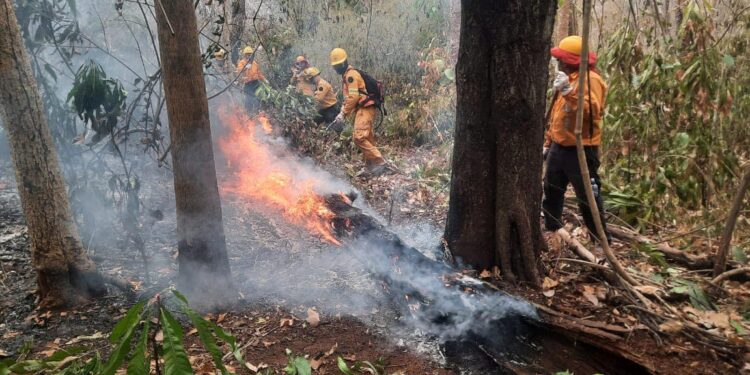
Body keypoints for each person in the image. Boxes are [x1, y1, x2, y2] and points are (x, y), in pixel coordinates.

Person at [542, 35, 612, 243]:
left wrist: (568, 92)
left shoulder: (592, 80)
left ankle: (601, 240)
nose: (559, 63)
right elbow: (557, 114)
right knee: (552, 188)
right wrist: (548, 142)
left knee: (588, 196)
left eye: (563, 59)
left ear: (572, 61)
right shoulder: (567, 78)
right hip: (558, 146)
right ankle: (553, 230)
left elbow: (592, 110)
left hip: (582, 149)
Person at [329, 47, 387, 176]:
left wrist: (343, 113)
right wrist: (341, 112)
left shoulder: (351, 76)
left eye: (337, 65)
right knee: (367, 137)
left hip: (366, 108)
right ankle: (371, 167)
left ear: (343, 63)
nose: (336, 68)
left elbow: (354, 97)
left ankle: (380, 162)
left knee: (359, 137)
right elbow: (349, 98)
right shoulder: (347, 76)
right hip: (363, 108)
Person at [236, 46, 267, 115]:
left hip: (256, 83)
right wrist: (246, 67)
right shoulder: (242, 63)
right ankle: (248, 113)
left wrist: (264, 79)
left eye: (250, 54)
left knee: (257, 98)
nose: (249, 55)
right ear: (244, 54)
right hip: (248, 84)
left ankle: (257, 112)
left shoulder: (255, 63)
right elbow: (239, 71)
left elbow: (259, 73)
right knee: (248, 99)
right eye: (247, 54)